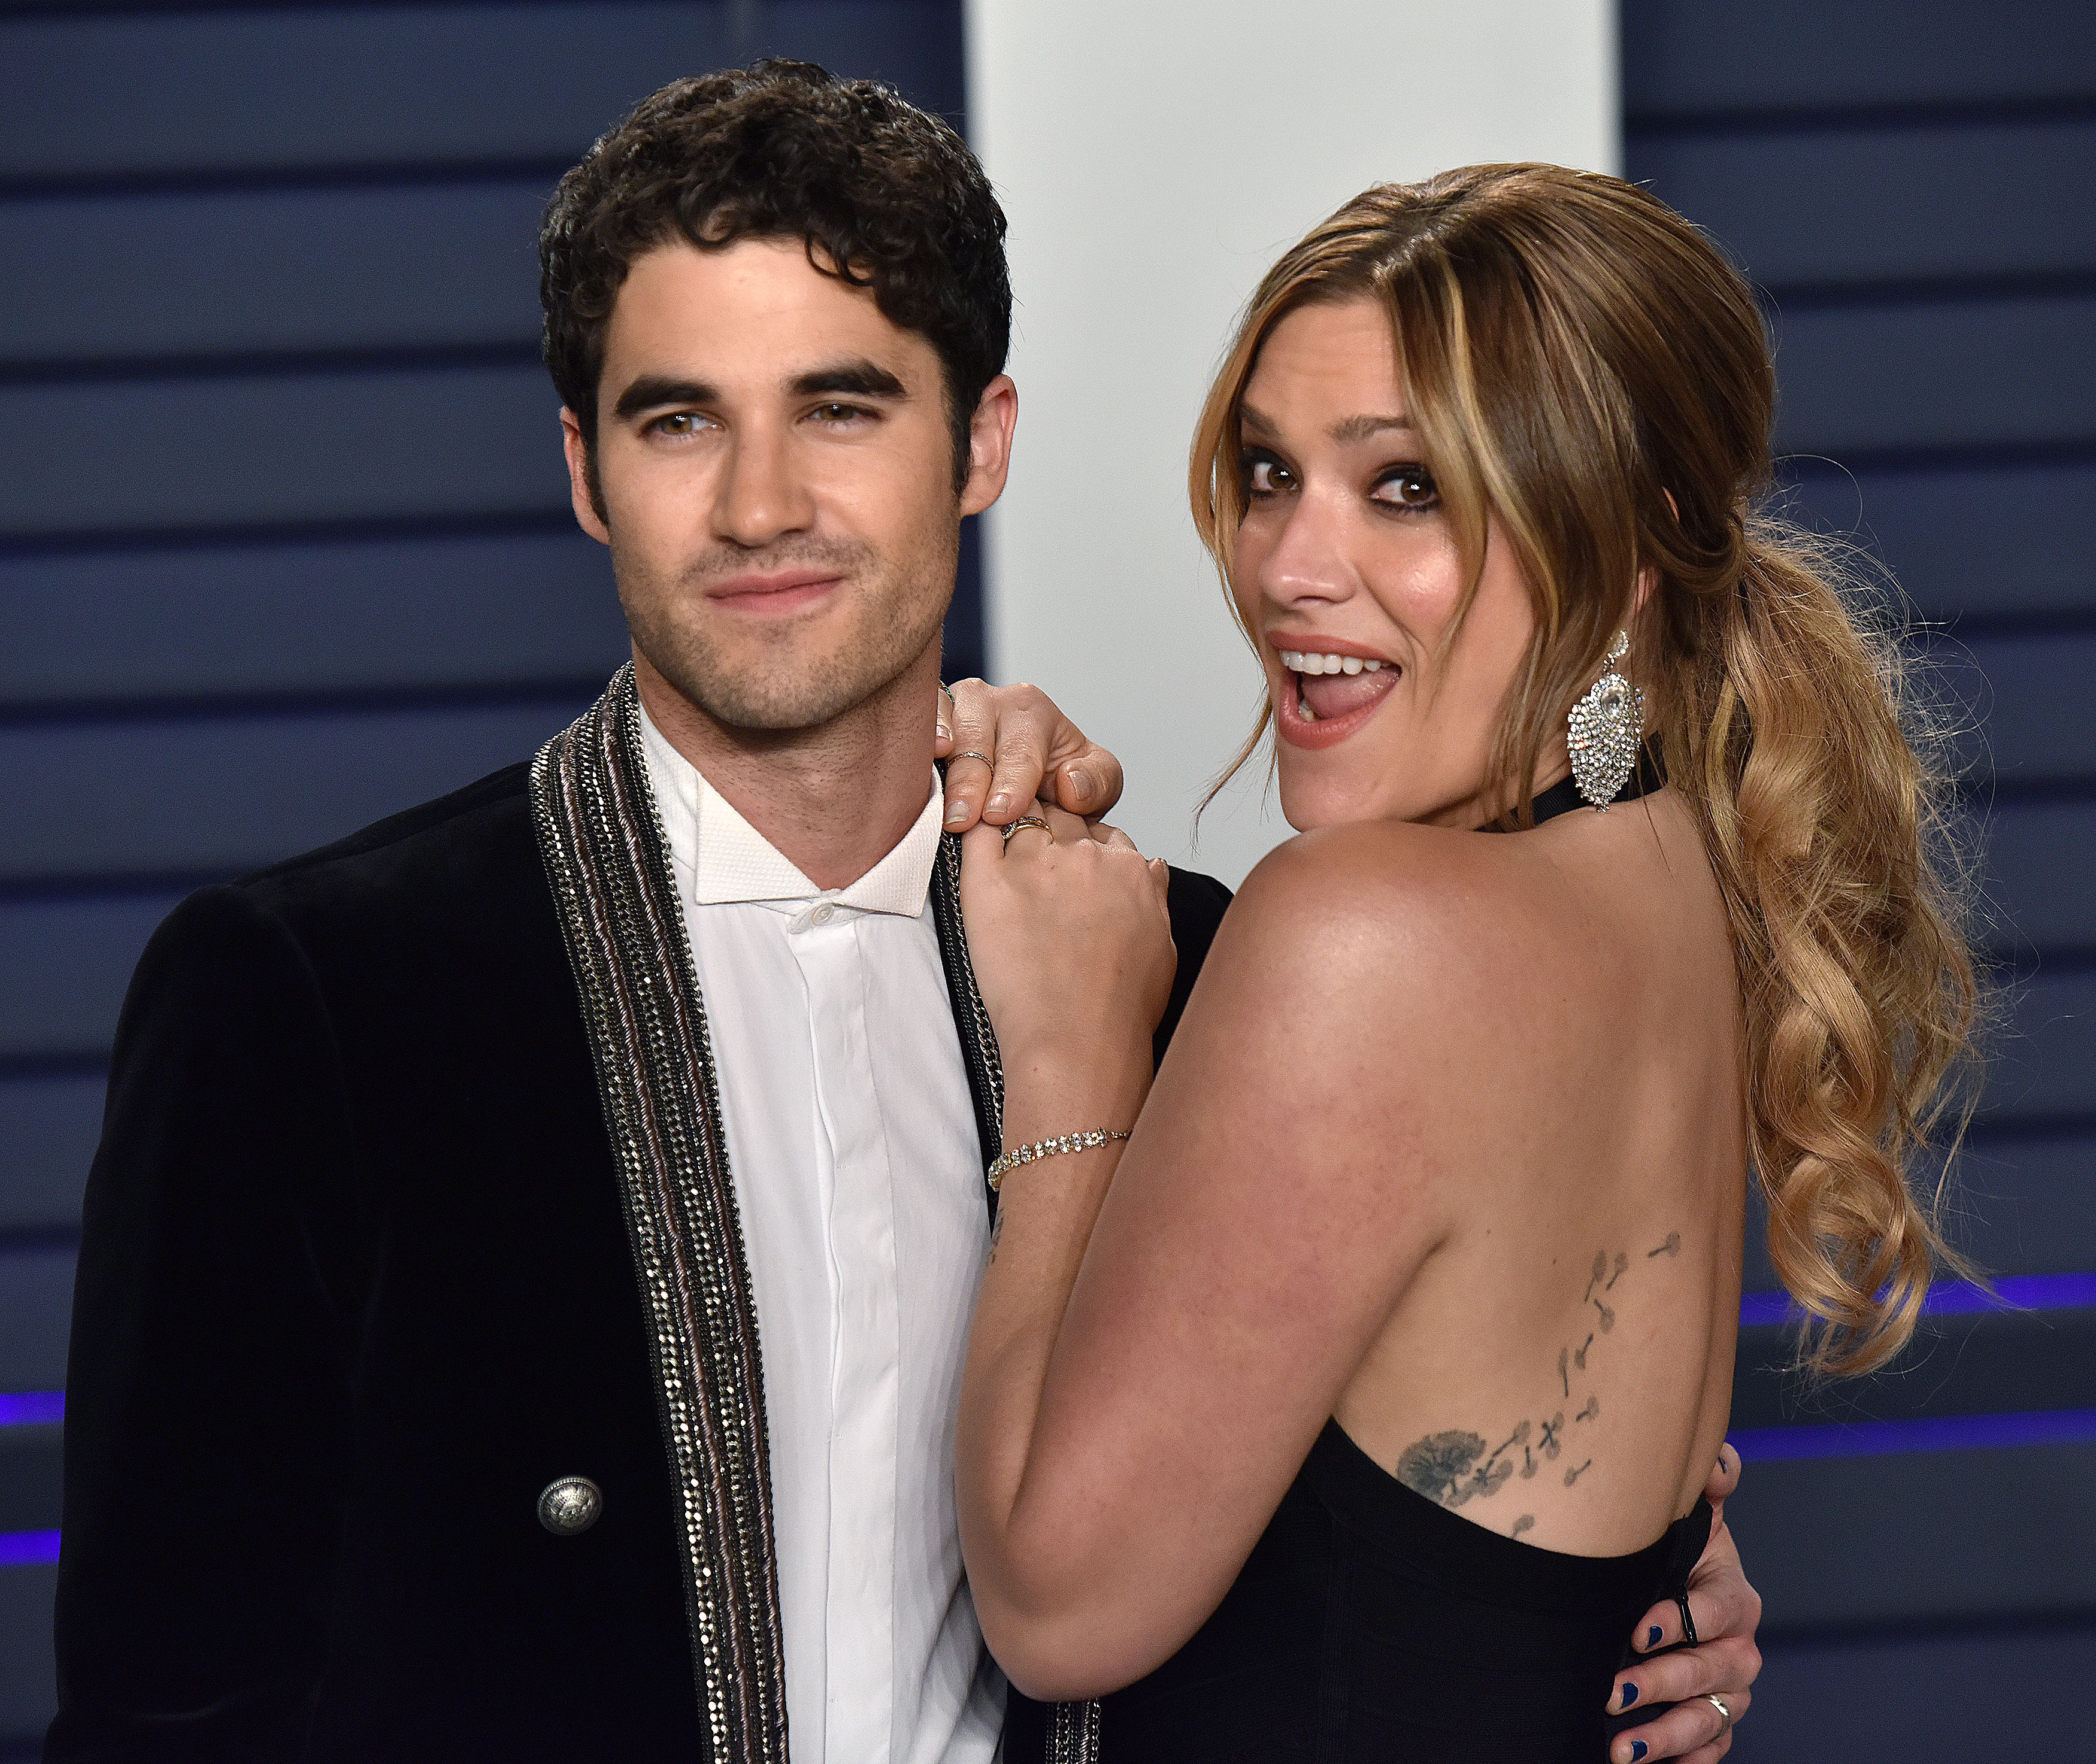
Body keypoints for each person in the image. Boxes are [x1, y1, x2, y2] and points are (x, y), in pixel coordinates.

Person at [47, 70, 1760, 1763]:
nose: (761, 505)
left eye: (842, 407)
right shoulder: (319, 999)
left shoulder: (1199, 970)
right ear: (583, 469)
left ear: (982, 441)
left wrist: (1616, 1599)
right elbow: (166, 1713)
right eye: (678, 417)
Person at [956, 164, 1976, 1764]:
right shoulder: (1671, 874)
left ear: (1632, 542)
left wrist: (1072, 1062)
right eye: (1269, 471)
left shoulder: (1363, 929)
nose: (1291, 565)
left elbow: (1057, 1606)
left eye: (1407, 488)